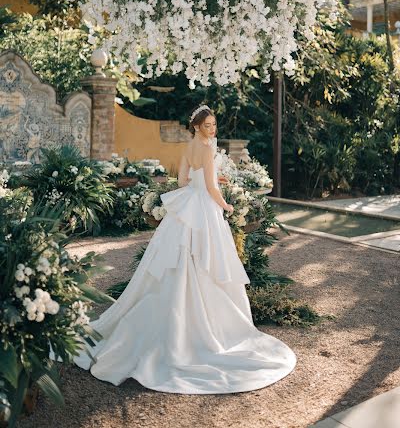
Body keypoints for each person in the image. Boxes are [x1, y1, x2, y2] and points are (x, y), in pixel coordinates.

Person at [73, 104, 296, 394]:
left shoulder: (189, 146)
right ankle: (203, 330)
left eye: (214, 125)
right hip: (204, 208)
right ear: (196, 126)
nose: (212, 130)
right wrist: (226, 204)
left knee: (179, 259)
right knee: (205, 261)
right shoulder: (205, 148)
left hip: (188, 204)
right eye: (208, 126)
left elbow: (182, 181)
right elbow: (213, 188)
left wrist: (205, 186)